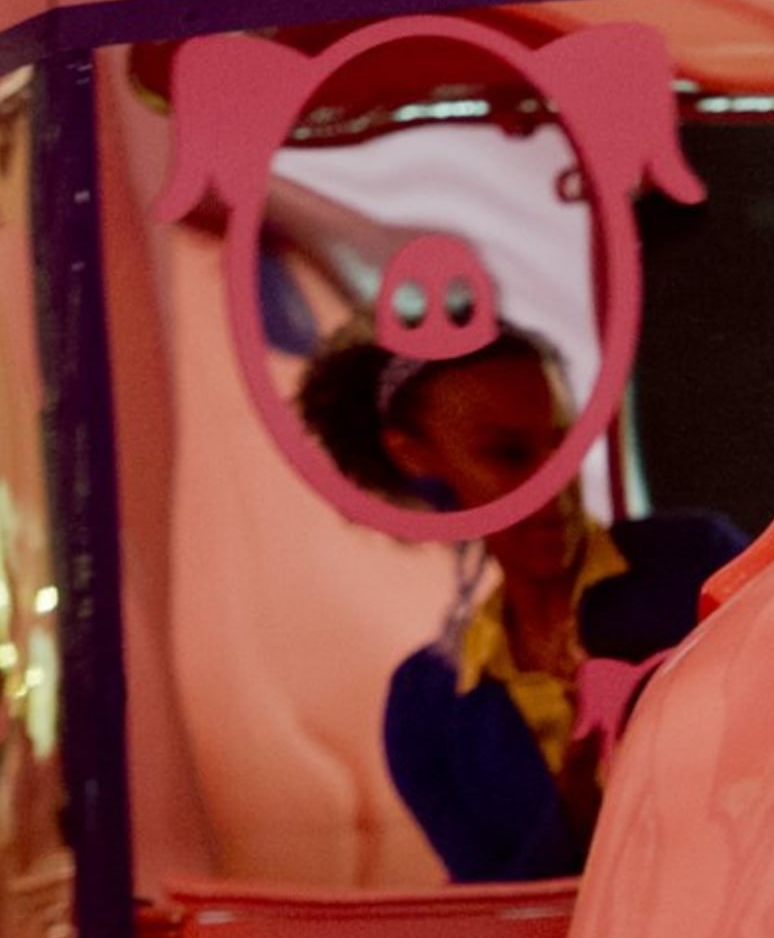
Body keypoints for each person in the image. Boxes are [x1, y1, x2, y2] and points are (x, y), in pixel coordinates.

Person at [296, 320, 740, 883]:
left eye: (563, 443)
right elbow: (493, 919)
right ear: (417, 457)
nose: (553, 482)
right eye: (508, 454)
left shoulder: (697, 562)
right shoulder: (427, 706)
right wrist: (574, 814)